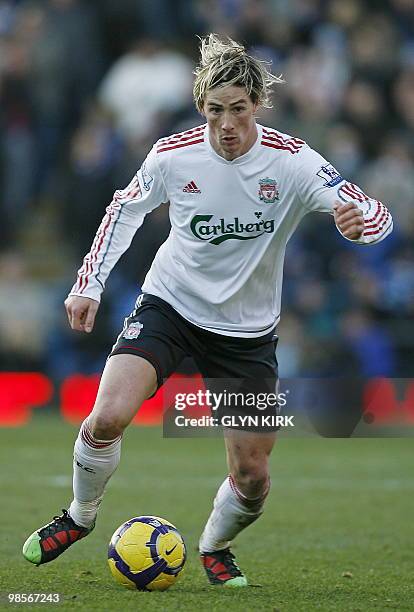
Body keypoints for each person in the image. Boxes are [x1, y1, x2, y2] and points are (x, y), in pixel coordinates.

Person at [23, 34, 393, 587]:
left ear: (256, 107)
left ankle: (215, 546)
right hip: (169, 306)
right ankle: (78, 516)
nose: (226, 123)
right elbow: (122, 211)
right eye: (215, 110)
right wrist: (88, 285)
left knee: (252, 478)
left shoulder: (292, 162)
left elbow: (373, 212)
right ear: (203, 108)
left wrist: (361, 226)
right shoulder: (174, 155)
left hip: (246, 334)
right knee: (106, 417)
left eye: (238, 109)